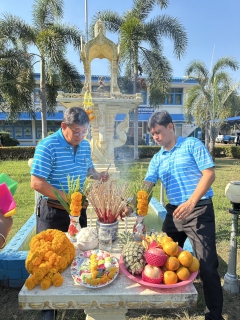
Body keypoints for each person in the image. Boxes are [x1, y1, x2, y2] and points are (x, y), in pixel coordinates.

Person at [127, 110, 224, 320]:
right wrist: (130, 206)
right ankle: (166, 296)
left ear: (171, 127)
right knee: (158, 256)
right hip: (175, 213)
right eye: (152, 135)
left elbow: (209, 174)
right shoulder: (157, 158)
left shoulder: (191, 145)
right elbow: (147, 186)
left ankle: (214, 315)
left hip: (198, 210)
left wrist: (191, 202)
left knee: (207, 265)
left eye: (158, 132)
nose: (156, 138)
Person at [30, 107, 109, 320]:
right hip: (53, 213)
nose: (81, 136)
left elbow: (88, 169)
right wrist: (65, 197)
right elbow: (36, 182)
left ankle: (77, 294)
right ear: (63, 126)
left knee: (78, 254)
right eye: (76, 132)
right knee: (49, 260)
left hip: (77, 211)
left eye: (84, 132)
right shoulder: (48, 146)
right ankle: (49, 310)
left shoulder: (84, 146)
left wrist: (97, 175)